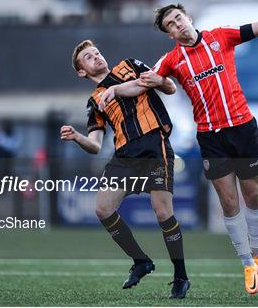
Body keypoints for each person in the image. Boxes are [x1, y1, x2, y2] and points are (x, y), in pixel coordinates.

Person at [100, 3, 258, 294]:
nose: (177, 25)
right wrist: (115, 89)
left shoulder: (222, 37)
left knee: (253, 193)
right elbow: (142, 84)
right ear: (169, 34)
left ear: (188, 18)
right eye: (170, 24)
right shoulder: (172, 60)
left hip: (242, 127)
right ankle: (247, 263)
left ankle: (257, 253)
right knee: (229, 202)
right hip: (210, 136)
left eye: (178, 18)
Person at [60, 40, 190, 299]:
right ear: (82, 71)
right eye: (88, 57)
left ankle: (180, 277)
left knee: (163, 212)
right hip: (124, 156)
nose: (96, 56)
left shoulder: (129, 66)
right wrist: (77, 137)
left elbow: (164, 85)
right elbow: (95, 145)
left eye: (96, 52)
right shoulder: (94, 101)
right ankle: (141, 261)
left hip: (154, 145)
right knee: (102, 208)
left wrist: (131, 86)